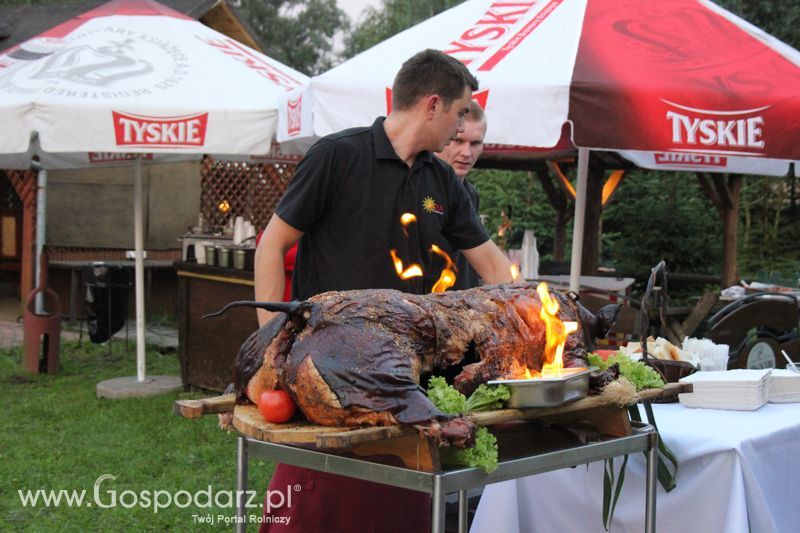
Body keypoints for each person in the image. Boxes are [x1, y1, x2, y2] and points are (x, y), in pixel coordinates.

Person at [253, 49, 515, 532]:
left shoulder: (441, 181)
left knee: (402, 505)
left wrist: (535, 305)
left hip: (406, 380)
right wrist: (272, 347)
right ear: (432, 105)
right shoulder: (337, 155)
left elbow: (491, 261)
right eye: (459, 113)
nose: (461, 130)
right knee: (317, 509)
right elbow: (272, 246)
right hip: (326, 378)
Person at [434, 99, 487, 290]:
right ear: (445, 138)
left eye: (475, 143)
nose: (466, 152)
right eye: (458, 141)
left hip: (464, 306)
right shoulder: (420, 187)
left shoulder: (470, 193)